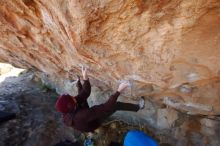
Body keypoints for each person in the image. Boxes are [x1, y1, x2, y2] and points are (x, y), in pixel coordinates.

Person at [55, 67, 145, 132]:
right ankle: (138, 107)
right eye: (72, 98)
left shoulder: (70, 107)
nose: (73, 97)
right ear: (72, 105)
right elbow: (106, 107)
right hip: (92, 123)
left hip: (82, 116)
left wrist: (84, 79)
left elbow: (84, 93)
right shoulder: (81, 115)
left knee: (82, 100)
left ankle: (78, 82)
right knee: (115, 105)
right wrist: (119, 90)